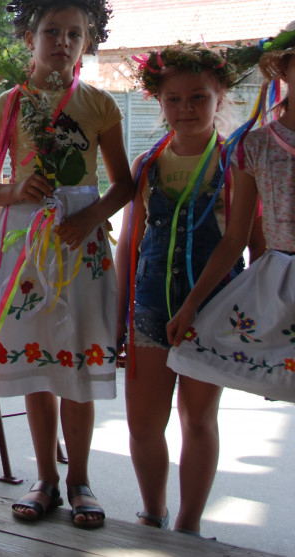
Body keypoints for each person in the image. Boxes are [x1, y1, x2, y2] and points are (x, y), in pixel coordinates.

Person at [0, 0, 133, 528]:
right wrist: (14, 191)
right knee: (36, 366)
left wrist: (91, 217)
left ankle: (80, 479)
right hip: (24, 248)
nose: (62, 43)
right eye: (51, 32)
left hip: (80, 247)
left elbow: (125, 185)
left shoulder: (100, 104)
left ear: (88, 41)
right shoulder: (7, 105)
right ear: (28, 37)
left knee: (74, 365)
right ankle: (44, 477)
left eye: (74, 34)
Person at [116, 44, 263, 536]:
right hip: (150, 310)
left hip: (214, 311)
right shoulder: (146, 164)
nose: (185, 109)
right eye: (173, 98)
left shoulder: (239, 162)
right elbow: (130, 244)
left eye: (198, 97)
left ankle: (188, 524)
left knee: (197, 420)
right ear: (157, 100)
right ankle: (152, 512)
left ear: (220, 95)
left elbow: (254, 248)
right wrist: (120, 315)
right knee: (142, 425)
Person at [166, 25, 295, 409]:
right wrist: (191, 306)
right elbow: (235, 237)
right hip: (281, 282)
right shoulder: (254, 147)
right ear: (284, 69)